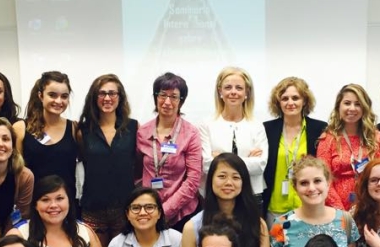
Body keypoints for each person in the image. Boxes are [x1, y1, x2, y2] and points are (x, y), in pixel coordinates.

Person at [270, 156, 359, 247]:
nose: (311, 188)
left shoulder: (345, 220)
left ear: (328, 183)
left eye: (317, 181)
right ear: (295, 187)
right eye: (304, 183)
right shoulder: (281, 225)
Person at [78, 74, 139, 247]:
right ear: (93, 97)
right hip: (93, 208)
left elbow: (139, 165)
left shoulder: (133, 127)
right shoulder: (82, 130)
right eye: (101, 93)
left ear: (120, 97)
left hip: (125, 208)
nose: (107, 98)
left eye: (112, 93)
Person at [136, 72, 202, 232]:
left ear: (181, 101)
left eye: (173, 97)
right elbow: (137, 172)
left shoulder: (191, 133)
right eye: (162, 95)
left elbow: (193, 180)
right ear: (155, 97)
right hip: (147, 212)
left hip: (183, 214)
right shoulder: (142, 132)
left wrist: (164, 211)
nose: (167, 102)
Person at [199, 67, 268, 208]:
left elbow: (260, 165)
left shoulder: (257, 125)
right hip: (216, 197)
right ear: (220, 91)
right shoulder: (206, 125)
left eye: (239, 88)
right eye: (228, 87)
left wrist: (221, 159)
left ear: (247, 92)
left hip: (251, 196)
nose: (233, 92)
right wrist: (247, 160)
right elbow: (206, 165)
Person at [263, 77, 328, 225]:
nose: (290, 103)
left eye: (295, 98)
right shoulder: (266, 130)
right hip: (275, 207)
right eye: (284, 98)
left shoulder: (319, 129)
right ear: (278, 102)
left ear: (304, 100)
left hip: (309, 205)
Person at [316, 83, 380, 210]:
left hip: (372, 207)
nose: (352, 108)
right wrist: (341, 212)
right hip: (335, 210)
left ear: (364, 108)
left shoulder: (377, 138)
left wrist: (370, 207)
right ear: (339, 106)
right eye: (347, 103)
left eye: (358, 104)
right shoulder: (328, 138)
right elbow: (323, 179)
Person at [13, 71, 80, 203]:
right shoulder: (20, 128)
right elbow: (15, 174)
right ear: (41, 96)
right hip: (33, 206)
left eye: (64, 96)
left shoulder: (74, 128)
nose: (59, 101)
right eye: (52, 95)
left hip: (67, 206)